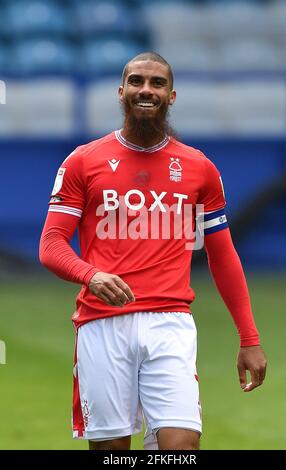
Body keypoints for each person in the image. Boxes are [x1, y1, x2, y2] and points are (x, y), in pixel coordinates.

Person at [39, 52, 267, 451]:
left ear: (172, 95)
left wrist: (249, 337)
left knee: (181, 448)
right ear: (121, 91)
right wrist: (90, 274)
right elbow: (51, 244)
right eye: (137, 81)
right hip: (102, 324)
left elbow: (223, 256)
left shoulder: (200, 168)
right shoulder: (82, 161)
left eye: (157, 83)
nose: (147, 90)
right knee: (112, 453)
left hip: (171, 324)